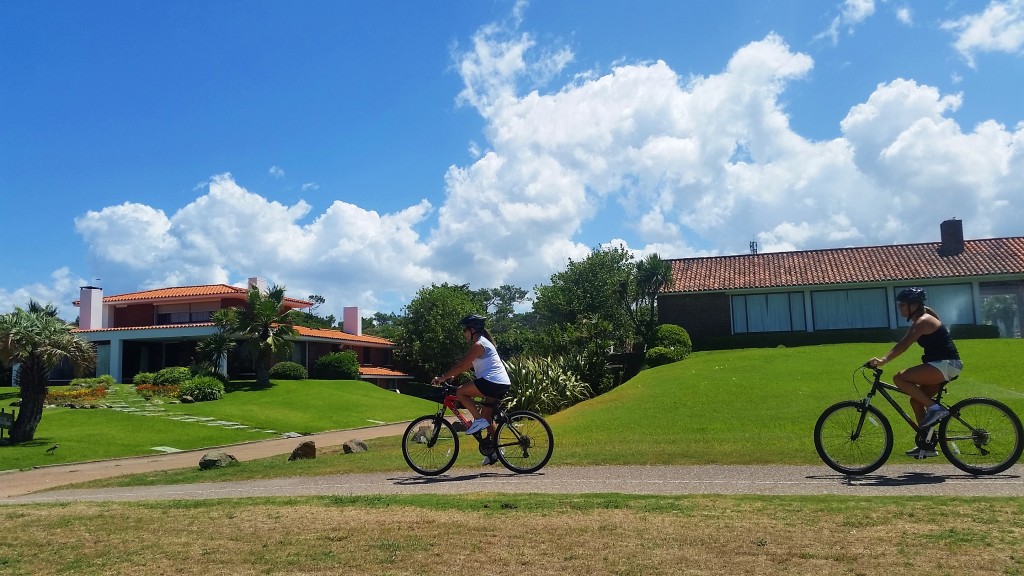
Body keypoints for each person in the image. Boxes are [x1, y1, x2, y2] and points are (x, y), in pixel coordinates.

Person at [868, 287, 963, 459]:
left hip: (946, 365)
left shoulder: (923, 322)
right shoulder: (921, 320)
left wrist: (883, 361)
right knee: (916, 401)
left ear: (913, 305)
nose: (900, 308)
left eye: (902, 305)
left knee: (899, 377)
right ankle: (927, 445)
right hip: (943, 366)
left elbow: (903, 345)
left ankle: (935, 408)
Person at [431, 314, 511, 465]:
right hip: (500, 383)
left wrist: (442, 378)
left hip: (492, 382)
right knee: (488, 417)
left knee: (460, 392)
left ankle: (478, 421)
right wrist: (451, 376)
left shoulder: (479, 345)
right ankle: (495, 451)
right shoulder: (484, 344)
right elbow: (467, 366)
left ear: (472, 330)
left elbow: (462, 365)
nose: (463, 333)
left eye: (465, 330)